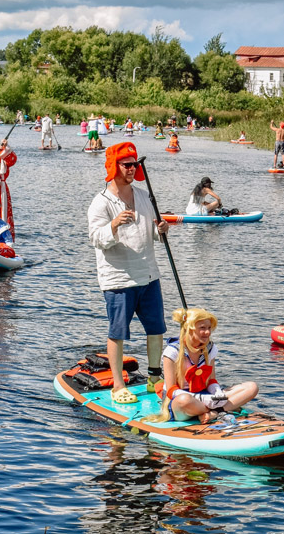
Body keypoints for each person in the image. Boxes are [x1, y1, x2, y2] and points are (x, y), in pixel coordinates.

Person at [87, 141, 171, 404]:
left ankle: (154, 377)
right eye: (127, 165)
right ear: (114, 166)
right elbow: (95, 239)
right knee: (118, 332)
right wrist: (113, 225)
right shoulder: (101, 203)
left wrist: (161, 230)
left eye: (135, 164)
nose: (132, 169)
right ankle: (118, 385)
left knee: (156, 328)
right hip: (118, 278)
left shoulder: (144, 196)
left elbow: (151, 233)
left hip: (148, 274)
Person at [145, 308, 258, 424]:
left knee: (251, 387)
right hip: (181, 401)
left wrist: (217, 393)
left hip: (206, 397)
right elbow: (171, 390)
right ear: (189, 329)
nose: (208, 332)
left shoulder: (210, 348)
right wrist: (202, 399)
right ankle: (224, 409)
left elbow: (211, 380)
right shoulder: (172, 351)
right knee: (184, 400)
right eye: (202, 328)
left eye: (209, 328)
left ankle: (214, 413)